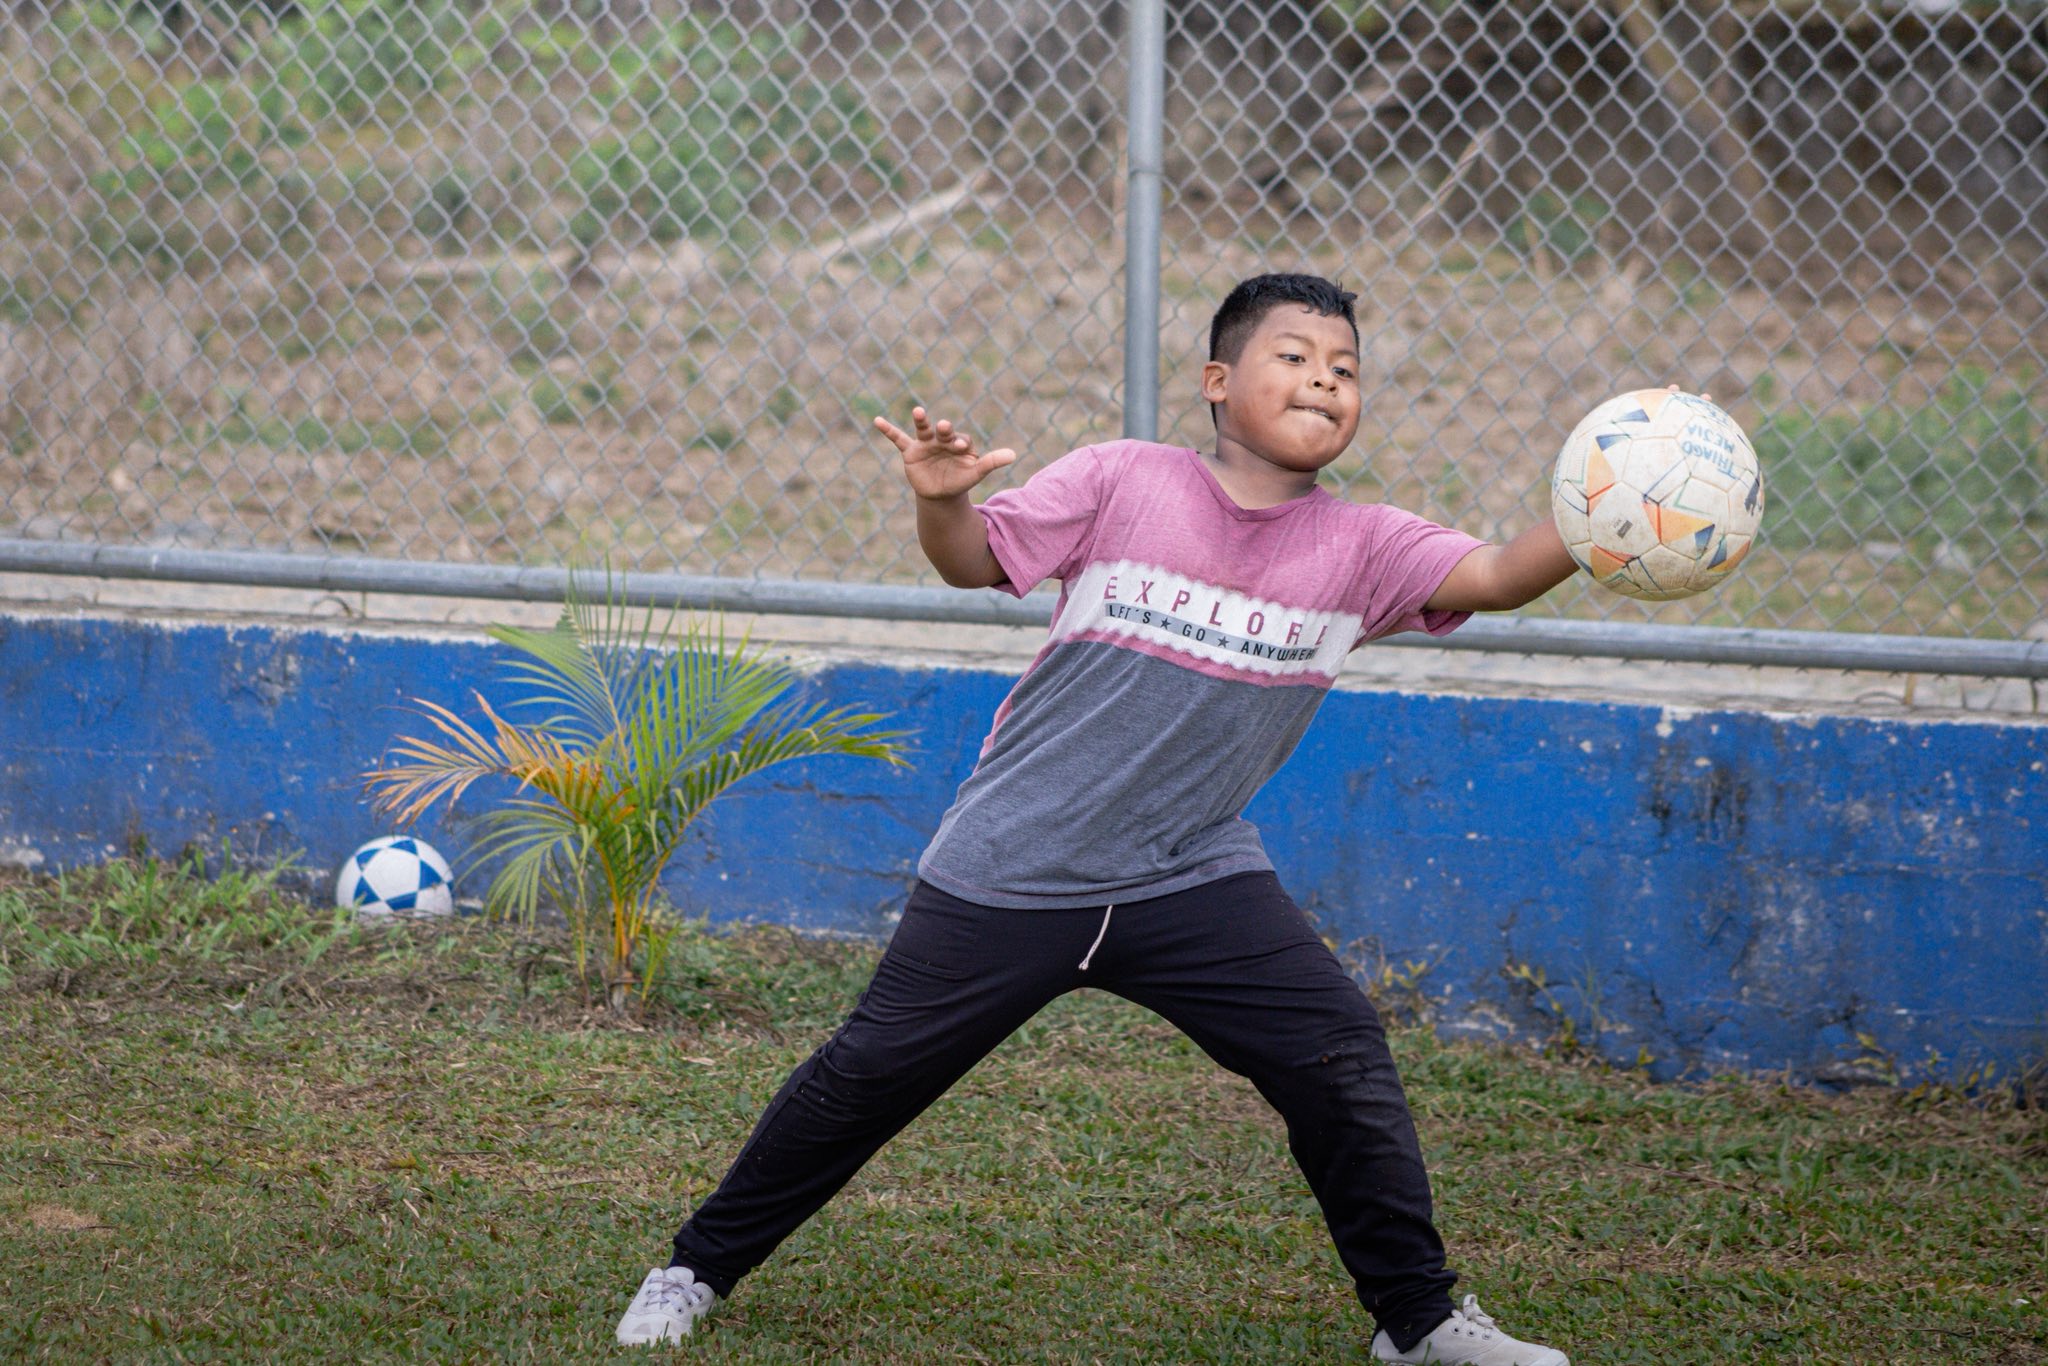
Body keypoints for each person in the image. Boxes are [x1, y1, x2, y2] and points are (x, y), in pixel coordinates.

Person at [616, 273, 1577, 1364]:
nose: (1324, 379)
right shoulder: (1124, 479)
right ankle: (694, 1268)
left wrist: (1608, 513)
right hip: (1016, 865)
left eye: (1345, 368)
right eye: (1295, 356)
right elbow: (973, 560)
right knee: (867, 1077)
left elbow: (1500, 573)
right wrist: (941, 501)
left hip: (1188, 874)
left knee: (1337, 1052)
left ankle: (1417, 1322)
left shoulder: (1366, 546)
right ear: (1217, 382)